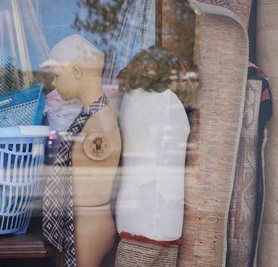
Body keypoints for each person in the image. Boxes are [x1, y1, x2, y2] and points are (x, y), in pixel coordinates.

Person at [41, 34, 121, 267]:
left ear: (76, 71)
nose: (54, 83)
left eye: (56, 75)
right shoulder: (90, 117)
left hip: (89, 225)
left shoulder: (98, 124)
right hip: (84, 220)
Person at [115, 46, 191, 267]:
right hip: (159, 207)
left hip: (135, 207)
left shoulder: (129, 99)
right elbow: (177, 145)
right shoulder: (167, 101)